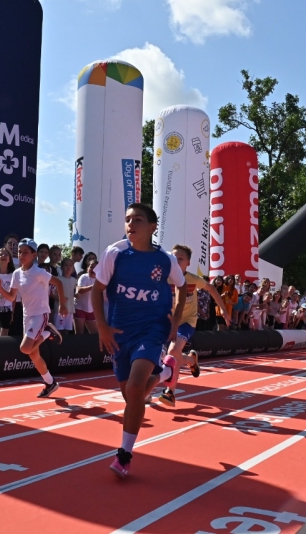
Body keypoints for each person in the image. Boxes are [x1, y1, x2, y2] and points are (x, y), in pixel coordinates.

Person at [92, 204, 186, 479]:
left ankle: (124, 456)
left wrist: (175, 320)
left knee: (135, 388)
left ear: (153, 227)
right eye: (128, 219)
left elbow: (182, 286)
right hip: (120, 332)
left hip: (152, 329)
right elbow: (97, 290)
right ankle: (166, 373)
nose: (131, 224)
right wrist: (102, 327)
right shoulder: (115, 253)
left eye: (138, 220)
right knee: (132, 396)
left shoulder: (165, 260)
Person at [0, 238, 65, 397]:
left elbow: (59, 283)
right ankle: (50, 382)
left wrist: (63, 305)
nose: (21, 255)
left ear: (34, 255)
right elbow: (11, 297)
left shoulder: (39, 272)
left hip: (40, 314)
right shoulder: (17, 274)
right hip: (27, 316)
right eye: (19, 252)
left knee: (25, 348)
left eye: (25, 252)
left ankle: (48, 332)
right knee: (33, 354)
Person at [158, 245, 230, 406]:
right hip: (169, 321)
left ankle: (170, 392)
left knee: (173, 351)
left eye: (180, 259)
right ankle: (191, 360)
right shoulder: (164, 278)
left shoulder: (193, 279)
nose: (176, 261)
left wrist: (223, 310)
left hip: (187, 321)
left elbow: (211, 289)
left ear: (188, 263)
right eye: (173, 258)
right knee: (171, 354)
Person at [74, 254, 100, 335]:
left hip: (91, 310)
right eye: (91, 267)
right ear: (87, 268)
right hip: (79, 308)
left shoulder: (99, 279)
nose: (93, 269)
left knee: (95, 333)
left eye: (96, 268)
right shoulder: (83, 277)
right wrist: (92, 286)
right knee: (79, 333)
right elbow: (80, 290)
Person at [55, 258, 77, 334]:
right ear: (62, 267)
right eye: (66, 265)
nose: (68, 267)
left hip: (70, 309)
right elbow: (52, 293)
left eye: (70, 265)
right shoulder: (58, 279)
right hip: (59, 309)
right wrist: (60, 298)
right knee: (59, 329)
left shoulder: (74, 280)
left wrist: (77, 294)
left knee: (67, 330)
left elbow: (74, 292)